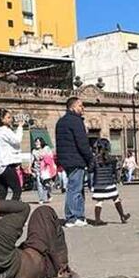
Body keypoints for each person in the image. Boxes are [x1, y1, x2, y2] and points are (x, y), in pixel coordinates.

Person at [56, 97, 93, 228]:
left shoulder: (61, 121)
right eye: (80, 106)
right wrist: (89, 158)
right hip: (76, 159)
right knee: (75, 189)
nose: (83, 109)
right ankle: (72, 217)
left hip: (66, 160)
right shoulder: (76, 121)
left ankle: (78, 216)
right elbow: (82, 143)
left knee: (76, 187)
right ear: (72, 107)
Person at [89, 138, 131, 226]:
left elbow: (90, 170)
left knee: (99, 202)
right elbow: (113, 171)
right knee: (116, 199)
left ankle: (97, 220)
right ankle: (122, 216)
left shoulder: (95, 159)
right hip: (109, 183)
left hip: (99, 184)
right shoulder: (111, 159)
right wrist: (116, 179)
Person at [0, 108, 25, 201]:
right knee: (17, 190)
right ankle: (12, 211)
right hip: (4, 165)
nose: (11, 119)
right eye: (8, 117)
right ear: (2, 119)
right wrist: (20, 127)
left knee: (3, 191)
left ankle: (1, 212)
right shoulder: (4, 130)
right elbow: (17, 140)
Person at [31, 137, 56, 204]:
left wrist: (44, 157)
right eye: (36, 142)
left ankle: (49, 193)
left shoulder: (46, 148)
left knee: (47, 184)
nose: (37, 143)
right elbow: (32, 160)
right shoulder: (34, 151)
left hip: (46, 169)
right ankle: (41, 198)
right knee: (39, 184)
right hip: (38, 169)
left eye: (38, 142)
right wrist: (31, 168)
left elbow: (51, 156)